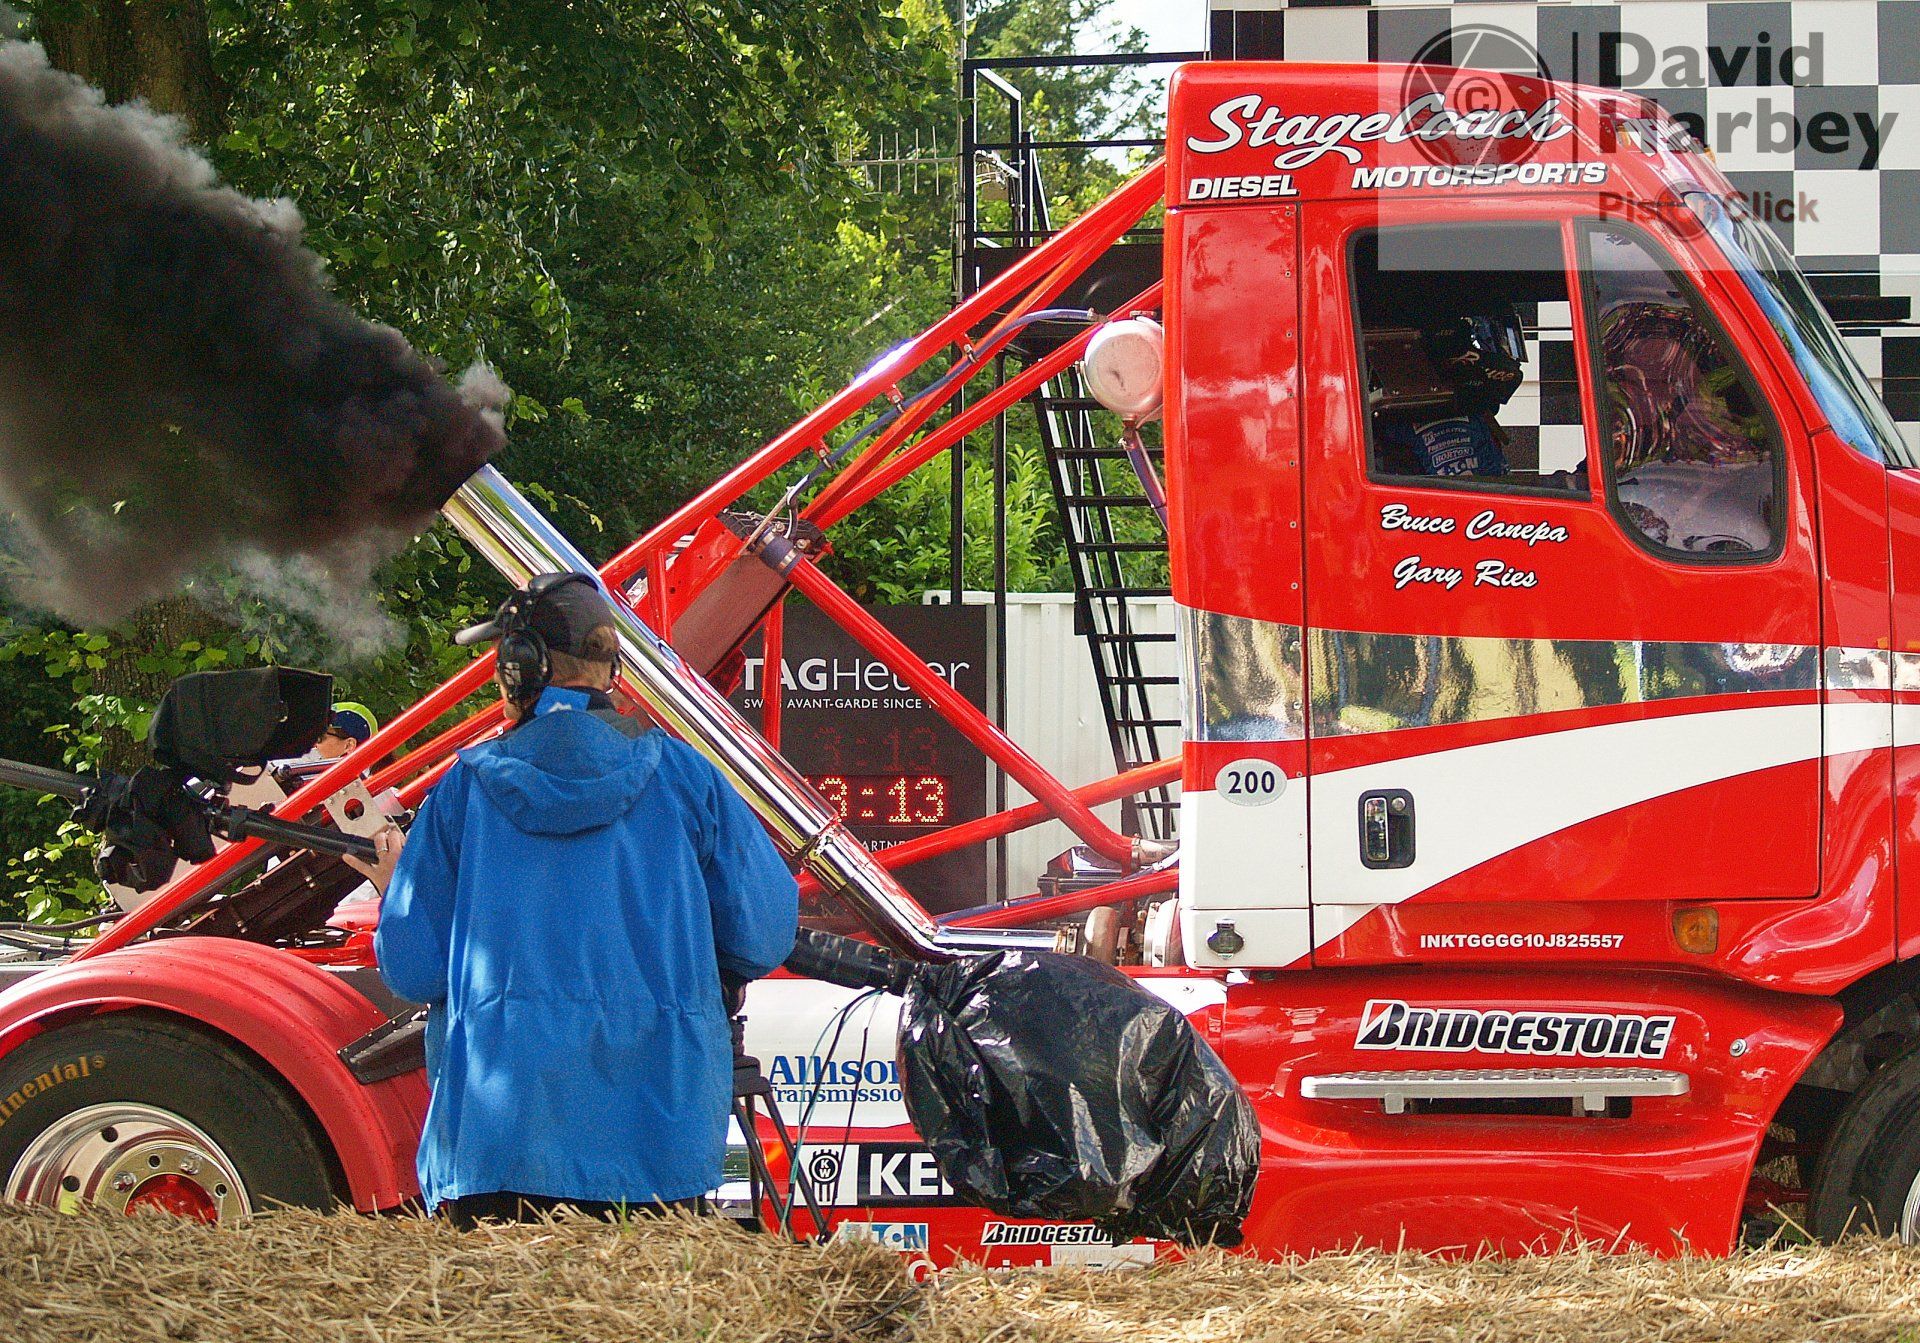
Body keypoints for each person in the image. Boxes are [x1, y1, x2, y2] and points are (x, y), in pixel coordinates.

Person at [344, 572, 799, 1227]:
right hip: (660, 1154)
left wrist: (395, 887)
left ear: (518, 670)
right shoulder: (688, 777)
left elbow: (414, 968)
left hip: (498, 1156)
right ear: (609, 668)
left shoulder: (463, 790)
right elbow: (762, 932)